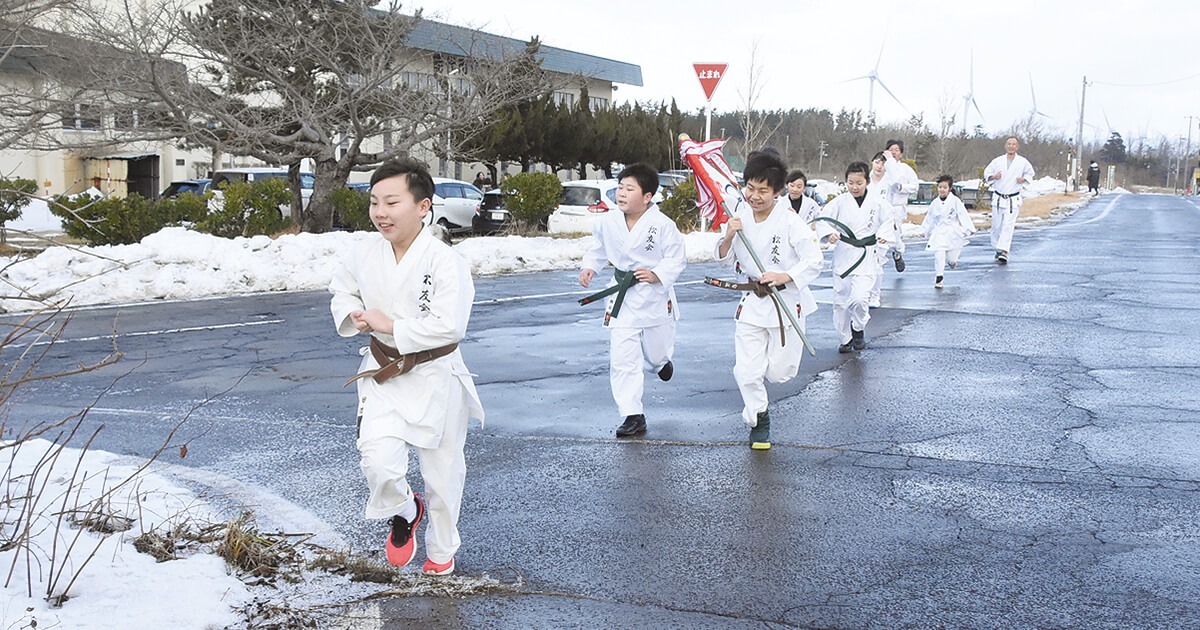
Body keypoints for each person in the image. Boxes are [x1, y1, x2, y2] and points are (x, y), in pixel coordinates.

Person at [329, 157, 484, 577]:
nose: (381, 212)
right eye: (374, 202)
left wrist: (391, 325)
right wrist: (354, 313)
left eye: (392, 202)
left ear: (423, 206)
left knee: (443, 473)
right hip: (383, 372)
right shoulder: (364, 252)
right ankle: (405, 507)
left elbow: (450, 326)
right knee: (377, 461)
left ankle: (441, 549)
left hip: (437, 375)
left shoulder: (445, 261)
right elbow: (341, 291)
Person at [715, 151, 823, 449]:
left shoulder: (790, 221)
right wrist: (727, 236)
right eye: (750, 188)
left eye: (763, 190)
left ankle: (762, 389)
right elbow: (725, 260)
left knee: (780, 373)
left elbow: (814, 261)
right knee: (746, 371)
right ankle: (759, 419)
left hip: (786, 304)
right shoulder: (739, 217)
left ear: (777, 192)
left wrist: (784, 275)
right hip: (752, 303)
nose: (755, 196)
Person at [578, 163, 686, 438]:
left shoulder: (662, 225)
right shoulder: (607, 221)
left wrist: (656, 274)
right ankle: (632, 414)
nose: (621, 194)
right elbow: (599, 249)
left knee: (655, 353)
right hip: (622, 297)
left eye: (630, 189)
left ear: (647, 196)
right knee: (623, 358)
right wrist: (590, 266)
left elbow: (677, 259)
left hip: (653, 296)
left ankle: (661, 363)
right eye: (620, 188)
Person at [815, 162, 895, 353]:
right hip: (844, 254)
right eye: (850, 183)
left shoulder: (878, 203)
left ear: (866, 181)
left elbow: (889, 220)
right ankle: (845, 338)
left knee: (859, 299)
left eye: (859, 182)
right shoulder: (839, 202)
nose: (854, 187)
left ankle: (858, 328)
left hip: (866, 255)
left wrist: (884, 234)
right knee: (841, 301)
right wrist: (829, 233)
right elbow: (823, 220)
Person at [983, 136, 1036, 264]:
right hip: (999, 198)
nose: (1011, 146)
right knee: (997, 226)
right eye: (1009, 144)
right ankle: (998, 247)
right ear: (1006, 146)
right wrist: (994, 176)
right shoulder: (997, 161)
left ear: (1017, 147)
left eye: (1014, 144)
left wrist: (1023, 179)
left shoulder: (1022, 162)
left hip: (1013, 199)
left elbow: (1030, 174)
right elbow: (987, 173)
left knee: (1008, 225)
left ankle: (1004, 251)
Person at [919, 175, 975, 289]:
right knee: (939, 254)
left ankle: (952, 262)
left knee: (952, 258)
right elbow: (930, 218)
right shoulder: (935, 203)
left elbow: (962, 214)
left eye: (945, 187)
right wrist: (924, 230)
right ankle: (939, 277)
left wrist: (969, 228)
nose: (942, 190)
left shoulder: (955, 201)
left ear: (949, 188)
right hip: (940, 231)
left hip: (953, 232)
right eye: (940, 187)